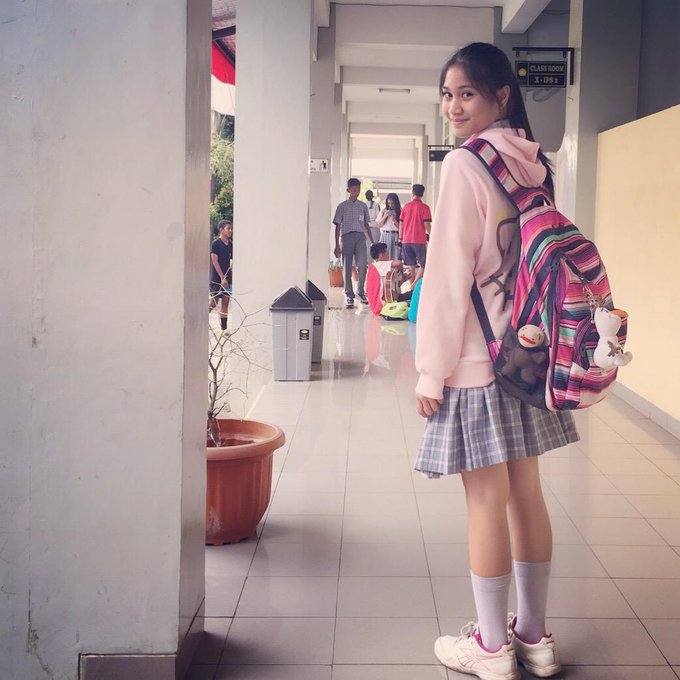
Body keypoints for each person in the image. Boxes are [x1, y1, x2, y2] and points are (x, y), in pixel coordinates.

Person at [414, 43, 578, 680]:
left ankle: (490, 647)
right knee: (526, 495)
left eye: (467, 94)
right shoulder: (532, 162)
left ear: (501, 95)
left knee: (485, 500)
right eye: (447, 94)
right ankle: (534, 638)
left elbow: (448, 274)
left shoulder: (465, 164)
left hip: (480, 362)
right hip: (530, 354)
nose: (454, 107)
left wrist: (431, 369)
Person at [333, 178, 375, 308]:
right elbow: (337, 226)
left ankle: (360, 291)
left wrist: (372, 241)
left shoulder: (363, 206)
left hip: (360, 237)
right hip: (346, 237)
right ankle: (349, 294)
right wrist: (336, 245)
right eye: (353, 189)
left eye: (358, 189)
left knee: (362, 264)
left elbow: (366, 225)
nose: (356, 191)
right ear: (348, 190)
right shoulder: (342, 206)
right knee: (347, 266)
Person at [365, 242, 412, 316]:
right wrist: (402, 272)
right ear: (381, 255)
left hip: (381, 303)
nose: (388, 256)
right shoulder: (378, 265)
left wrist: (403, 279)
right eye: (387, 253)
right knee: (415, 294)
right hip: (383, 305)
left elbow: (391, 288)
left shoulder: (374, 269)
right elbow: (399, 263)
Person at [399, 184, 432, 279]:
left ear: (413, 192)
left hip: (406, 240)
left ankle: (412, 286)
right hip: (419, 240)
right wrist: (432, 235)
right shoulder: (425, 208)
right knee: (424, 265)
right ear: (423, 194)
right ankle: (415, 284)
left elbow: (401, 224)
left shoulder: (406, 207)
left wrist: (400, 238)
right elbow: (427, 225)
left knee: (410, 266)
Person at [209, 220, 233, 331]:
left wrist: (228, 277)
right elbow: (214, 261)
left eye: (231, 228)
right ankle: (201, 319)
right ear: (221, 230)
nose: (230, 231)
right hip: (217, 278)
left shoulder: (231, 245)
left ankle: (224, 329)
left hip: (228, 279)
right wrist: (222, 277)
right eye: (228, 228)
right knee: (214, 302)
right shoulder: (216, 244)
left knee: (226, 302)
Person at [377, 193, 402, 260]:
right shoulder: (383, 211)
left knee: (395, 255)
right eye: (389, 203)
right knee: (384, 255)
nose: (390, 205)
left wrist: (394, 220)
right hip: (385, 235)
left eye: (392, 203)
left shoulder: (400, 211)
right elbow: (379, 225)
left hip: (395, 235)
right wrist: (385, 216)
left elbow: (401, 228)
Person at [364, 190, 381, 257]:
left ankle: (368, 261)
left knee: (367, 247)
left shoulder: (364, 205)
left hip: (366, 228)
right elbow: (378, 217)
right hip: (374, 228)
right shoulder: (376, 205)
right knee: (375, 247)